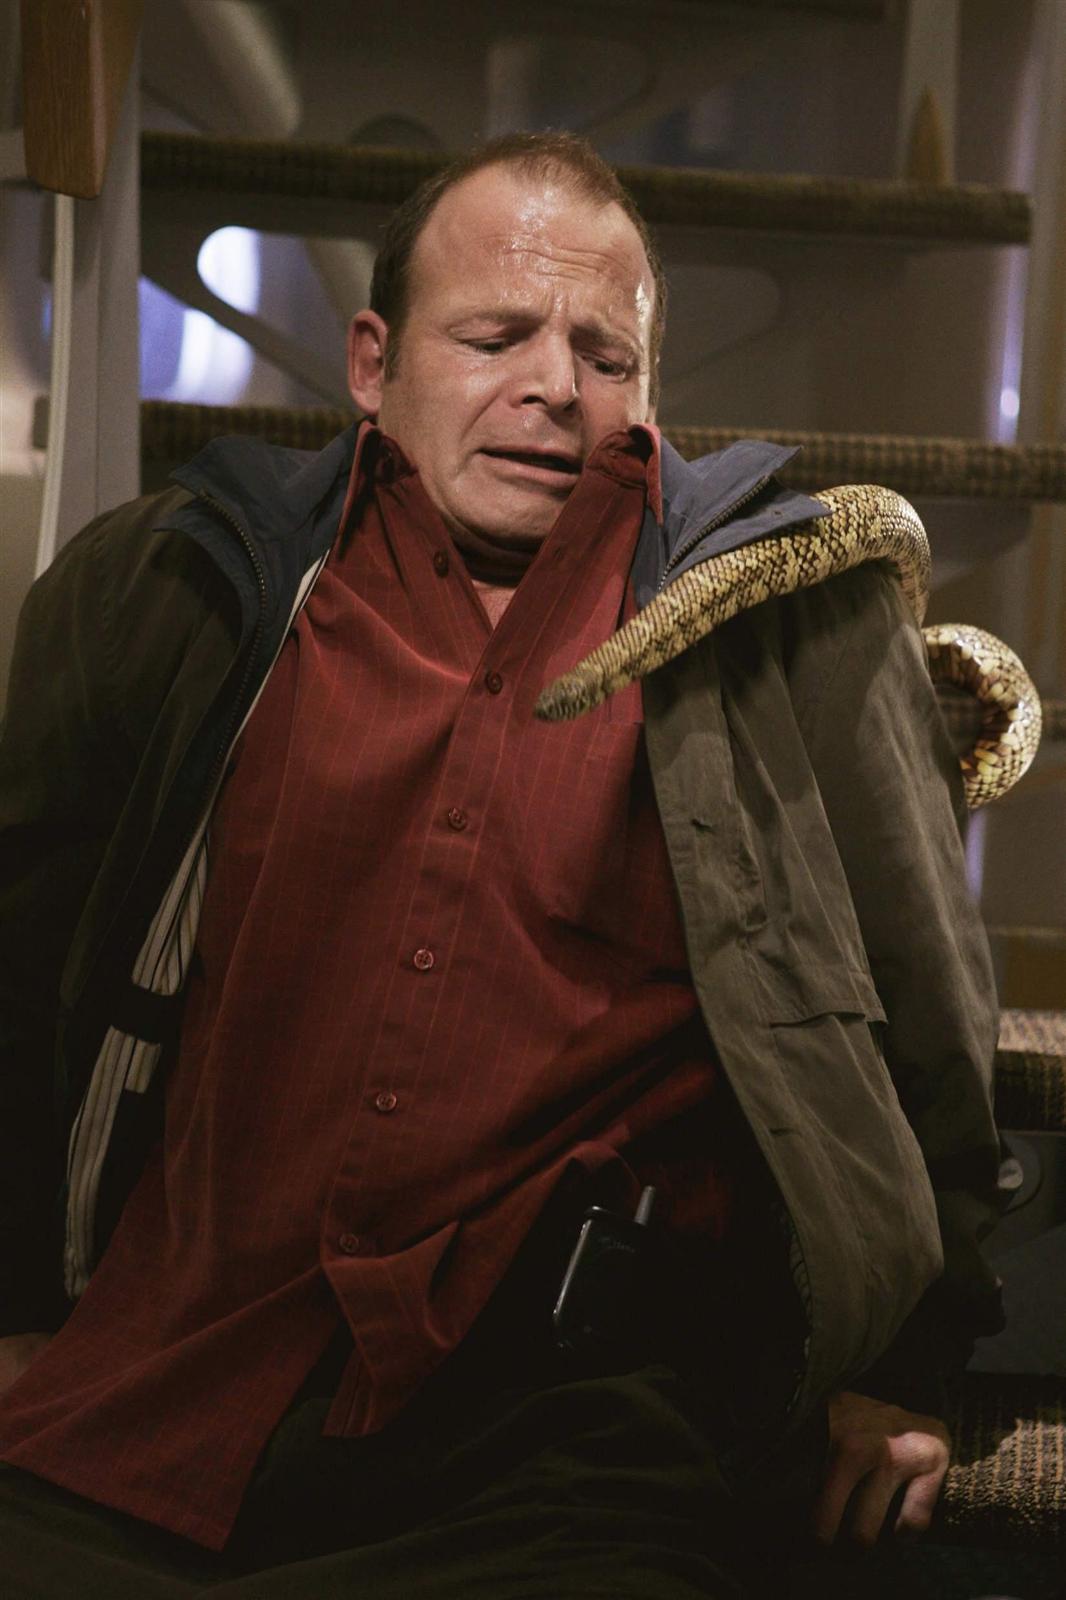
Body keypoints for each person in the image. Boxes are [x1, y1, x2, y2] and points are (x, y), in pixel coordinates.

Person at [0, 131, 1006, 1597]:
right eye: (493, 337)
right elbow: (23, 969)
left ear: (648, 390)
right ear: (372, 362)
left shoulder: (789, 622)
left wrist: (909, 1360)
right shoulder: (168, 588)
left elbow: (926, 1016)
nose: (554, 386)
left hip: (569, 1434)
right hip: (171, 1383)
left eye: (605, 354)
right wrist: (15, 1293)